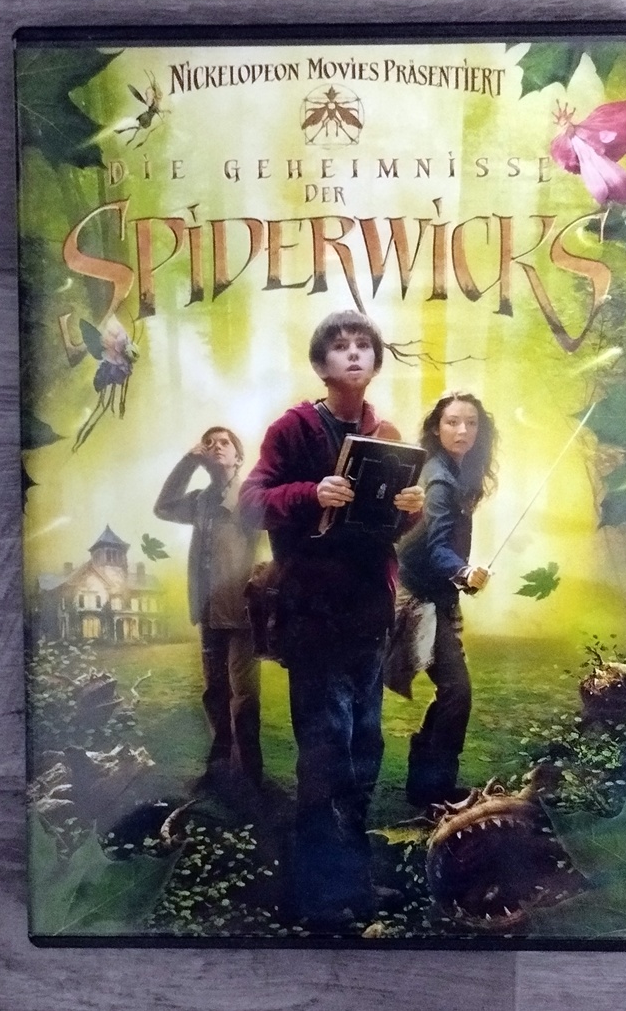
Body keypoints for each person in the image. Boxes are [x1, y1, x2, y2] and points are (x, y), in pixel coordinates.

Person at [238, 310, 423, 928]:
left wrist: (410, 509)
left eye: (364, 345)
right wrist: (309, 493)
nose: (353, 353)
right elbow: (250, 502)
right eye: (340, 346)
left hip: (368, 616)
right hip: (312, 616)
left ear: (376, 361)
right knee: (325, 754)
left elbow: (386, 527)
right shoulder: (292, 429)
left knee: (364, 751)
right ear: (321, 365)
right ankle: (318, 896)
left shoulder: (384, 434)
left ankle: (354, 884)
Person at [396, 391, 497, 807]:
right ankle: (432, 787)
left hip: (436, 594)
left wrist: (463, 576)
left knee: (454, 692)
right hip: (416, 597)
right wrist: (463, 572)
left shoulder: (455, 471)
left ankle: (427, 784)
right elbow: (436, 547)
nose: (462, 430)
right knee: (457, 691)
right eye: (453, 422)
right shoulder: (437, 479)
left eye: (471, 423)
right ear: (437, 429)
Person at [154, 426, 263, 789]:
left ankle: (249, 775)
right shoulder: (199, 500)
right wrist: (189, 461)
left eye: (224, 442)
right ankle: (219, 771)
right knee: (215, 693)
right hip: (208, 612)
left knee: (244, 697)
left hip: (242, 611)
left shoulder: (250, 496)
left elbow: (267, 547)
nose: (216, 447)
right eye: (209, 443)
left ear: (238, 456)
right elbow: (163, 507)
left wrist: (261, 594)